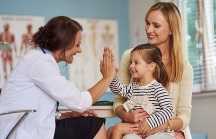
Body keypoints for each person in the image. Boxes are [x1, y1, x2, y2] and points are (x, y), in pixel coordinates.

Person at [0, 16, 116, 139]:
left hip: (29, 128)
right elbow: (80, 102)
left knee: (87, 121)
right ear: (64, 43)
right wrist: (107, 78)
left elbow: (38, 111)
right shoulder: (40, 62)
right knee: (93, 125)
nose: (79, 50)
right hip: (21, 133)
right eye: (77, 45)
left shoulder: (39, 59)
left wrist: (68, 115)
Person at [112, 2, 193, 139]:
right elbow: (118, 101)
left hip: (167, 129)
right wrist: (127, 115)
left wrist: (160, 126)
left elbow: (184, 115)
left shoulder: (184, 68)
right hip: (136, 129)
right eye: (147, 23)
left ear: (171, 29)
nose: (149, 30)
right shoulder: (130, 57)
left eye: (156, 25)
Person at [109, 44, 174, 139]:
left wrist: (150, 123)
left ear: (151, 66)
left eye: (136, 62)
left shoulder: (158, 89)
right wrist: (111, 77)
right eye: (131, 62)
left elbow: (168, 110)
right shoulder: (133, 87)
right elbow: (119, 90)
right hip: (137, 131)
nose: (131, 66)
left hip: (155, 131)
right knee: (128, 138)